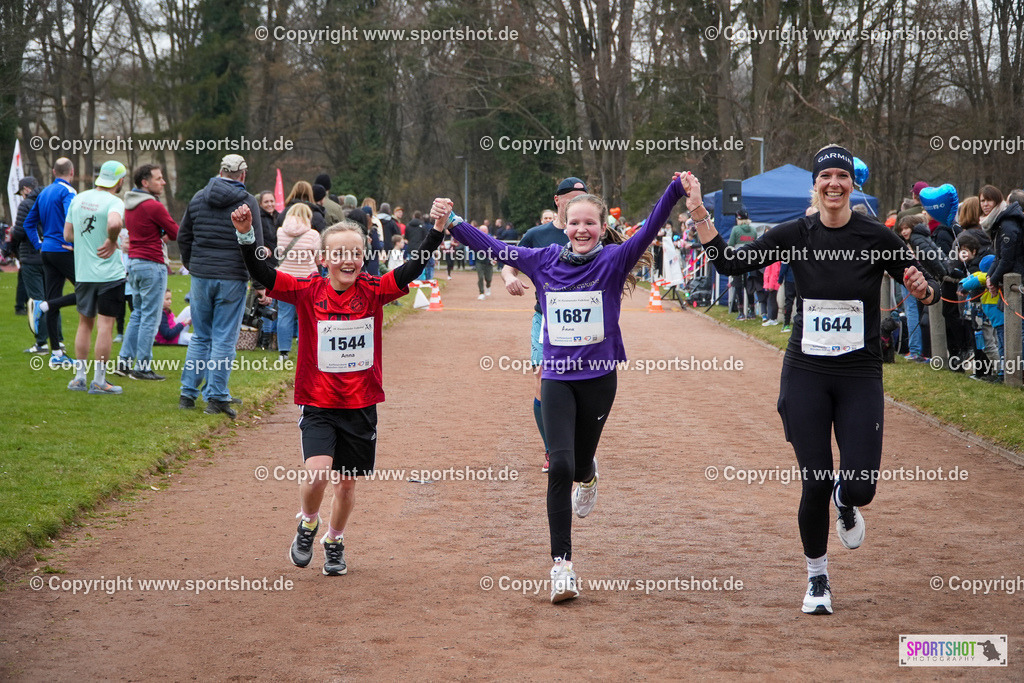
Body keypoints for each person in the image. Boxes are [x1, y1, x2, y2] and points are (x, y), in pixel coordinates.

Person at [692, 145, 938, 615]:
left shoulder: (876, 236)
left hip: (859, 372)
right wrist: (702, 211)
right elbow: (727, 263)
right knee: (816, 479)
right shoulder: (795, 233)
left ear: (852, 185)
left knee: (860, 483)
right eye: (825, 175)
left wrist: (922, 289)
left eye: (841, 177)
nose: (833, 184)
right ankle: (817, 578)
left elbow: (925, 286)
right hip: (806, 370)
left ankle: (848, 502)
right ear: (815, 184)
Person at [431, 171, 681, 605]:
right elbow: (494, 248)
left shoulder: (615, 259)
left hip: (600, 380)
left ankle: (590, 474)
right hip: (558, 378)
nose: (581, 230)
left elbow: (654, 225)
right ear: (563, 224)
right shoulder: (544, 258)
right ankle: (561, 566)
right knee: (559, 464)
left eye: (590, 224)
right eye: (574, 223)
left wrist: (675, 190)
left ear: (603, 229)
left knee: (580, 463)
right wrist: (453, 221)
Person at [229, 202, 444, 577]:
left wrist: (437, 230)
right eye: (340, 253)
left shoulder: (374, 290)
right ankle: (308, 522)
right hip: (318, 401)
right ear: (323, 258)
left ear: (363, 258)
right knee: (316, 473)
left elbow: (411, 268)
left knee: (345, 485)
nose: (349, 260)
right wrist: (246, 234)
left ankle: (334, 540)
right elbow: (262, 271)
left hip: (360, 404)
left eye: (356, 254)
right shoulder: (308, 291)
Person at [500, 178, 586, 472]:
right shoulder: (538, 234)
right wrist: (510, 277)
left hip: (585, 321)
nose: (577, 202)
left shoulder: (590, 233)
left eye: (583, 197)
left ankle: (578, 444)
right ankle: (552, 450)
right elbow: (508, 262)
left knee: (583, 383)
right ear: (557, 200)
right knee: (542, 377)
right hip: (546, 318)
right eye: (572, 197)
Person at [176, 154, 266, 417]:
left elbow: (183, 237)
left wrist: (192, 264)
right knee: (225, 338)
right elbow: (255, 243)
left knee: (201, 336)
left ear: (220, 171)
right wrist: (260, 282)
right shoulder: (247, 202)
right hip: (231, 276)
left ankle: (187, 394)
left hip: (201, 275)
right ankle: (216, 397)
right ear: (243, 175)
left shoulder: (198, 197)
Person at [64, 160, 129, 394]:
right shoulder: (114, 201)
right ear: (120, 181)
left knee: (84, 323)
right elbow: (114, 222)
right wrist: (112, 240)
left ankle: (79, 378)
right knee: (105, 325)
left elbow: (67, 234)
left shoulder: (78, 198)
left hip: (83, 272)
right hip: (109, 274)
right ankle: (100, 381)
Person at [116, 164, 179, 381]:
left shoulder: (130, 204)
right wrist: (160, 236)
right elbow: (175, 232)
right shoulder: (153, 206)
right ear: (145, 182)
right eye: (159, 178)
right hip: (152, 264)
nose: (162, 182)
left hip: (133, 262)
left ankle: (124, 362)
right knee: (150, 317)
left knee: (138, 313)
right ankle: (142, 367)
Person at [24, 158, 77, 369]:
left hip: (46, 251)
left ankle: (56, 354)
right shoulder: (68, 192)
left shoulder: (44, 192)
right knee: (88, 290)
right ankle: (43, 306)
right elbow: (72, 218)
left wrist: (39, 244)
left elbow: (29, 222)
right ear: (71, 172)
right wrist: (76, 244)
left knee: (54, 297)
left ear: (54, 171)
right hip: (63, 250)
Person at [276, 203, 322, 357]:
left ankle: (283, 352)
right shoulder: (313, 234)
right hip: (306, 279)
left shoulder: (280, 232)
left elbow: (279, 254)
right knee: (306, 314)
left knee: (284, 314)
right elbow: (318, 259)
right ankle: (305, 349)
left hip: (284, 277)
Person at [9, 177, 49, 352]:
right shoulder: (49, 201)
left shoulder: (26, 205)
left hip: (31, 258)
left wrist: (10, 241)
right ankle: (58, 341)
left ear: (26, 189)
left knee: (37, 301)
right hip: (49, 257)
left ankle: (41, 343)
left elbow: (19, 231)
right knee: (51, 300)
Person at [727, 208, 757, 319]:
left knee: (738, 285)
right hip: (751, 261)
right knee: (749, 286)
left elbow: (731, 244)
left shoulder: (736, 229)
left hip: (738, 261)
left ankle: (741, 312)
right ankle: (752, 311)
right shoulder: (753, 230)